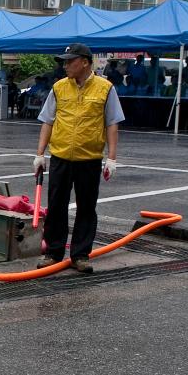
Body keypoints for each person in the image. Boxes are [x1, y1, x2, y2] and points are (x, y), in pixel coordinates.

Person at [32, 43, 122, 274]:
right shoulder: (59, 88)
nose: (65, 65)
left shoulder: (105, 88)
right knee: (56, 206)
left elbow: (112, 124)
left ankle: (80, 255)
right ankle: (53, 252)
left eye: (70, 61)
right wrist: (40, 154)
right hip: (61, 156)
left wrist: (111, 158)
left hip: (89, 159)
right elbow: (48, 121)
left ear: (85, 62)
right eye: (64, 61)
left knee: (86, 208)